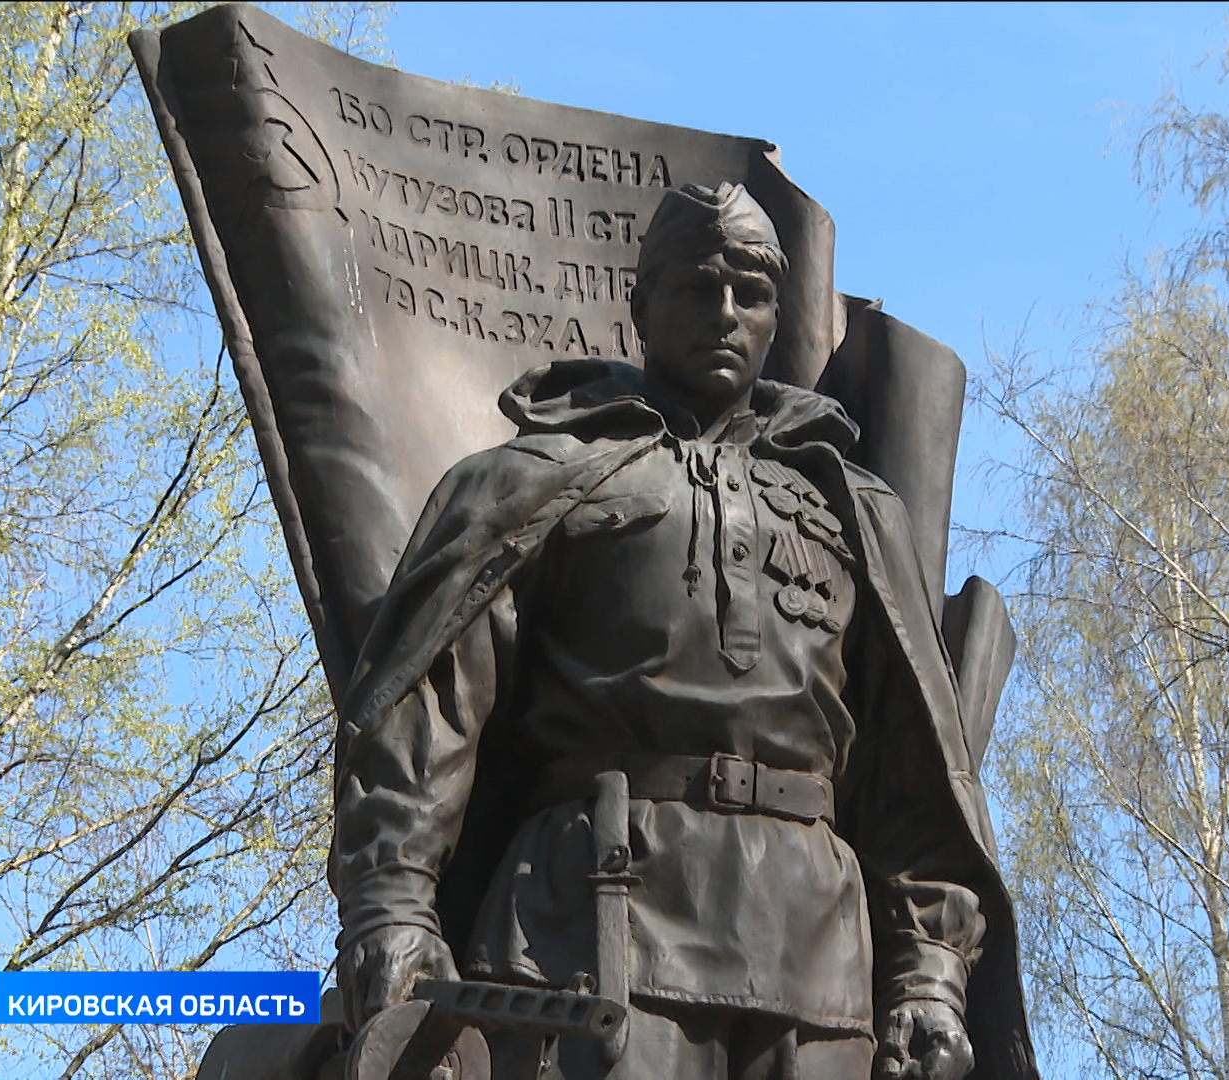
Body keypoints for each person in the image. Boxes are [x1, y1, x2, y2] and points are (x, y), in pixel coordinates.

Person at [330, 183, 1036, 1079]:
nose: (725, 313)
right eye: (697, 287)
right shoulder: (534, 479)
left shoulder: (850, 510)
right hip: (586, 933)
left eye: (750, 293)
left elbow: (915, 776)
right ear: (639, 305)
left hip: (816, 962)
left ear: (779, 315)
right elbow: (428, 716)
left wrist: (930, 973)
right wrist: (391, 904)